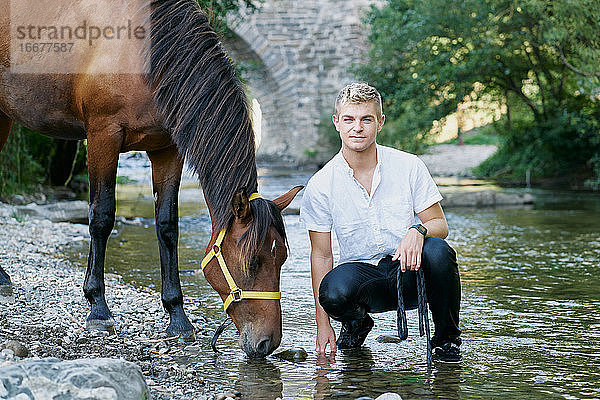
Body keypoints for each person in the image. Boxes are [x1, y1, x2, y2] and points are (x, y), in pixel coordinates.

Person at [300, 82, 462, 362]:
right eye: (349, 119)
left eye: (366, 119)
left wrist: (417, 230)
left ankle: (446, 340)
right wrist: (322, 325)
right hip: (364, 280)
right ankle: (357, 323)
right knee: (332, 290)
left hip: (409, 272)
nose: (357, 128)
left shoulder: (409, 165)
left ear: (380, 123)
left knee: (439, 251)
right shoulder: (320, 184)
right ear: (336, 122)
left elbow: (439, 223)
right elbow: (322, 255)